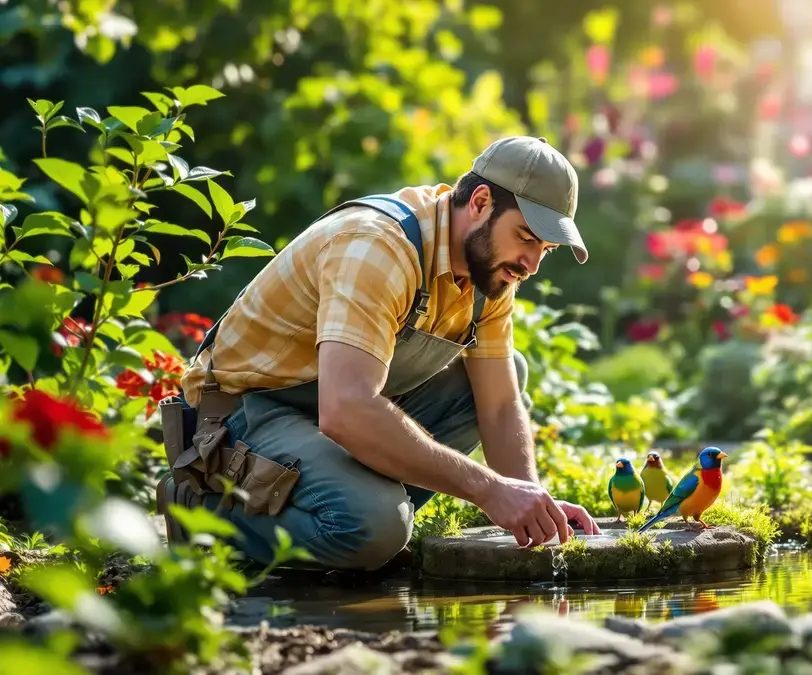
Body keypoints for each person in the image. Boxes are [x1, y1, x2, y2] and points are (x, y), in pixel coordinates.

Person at [155, 136, 601, 572]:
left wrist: (529, 500)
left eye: (545, 249)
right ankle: (201, 510)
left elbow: (500, 405)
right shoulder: (378, 245)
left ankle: (358, 523)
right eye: (525, 237)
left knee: (496, 381)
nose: (532, 264)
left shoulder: (490, 268)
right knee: (375, 526)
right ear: (481, 203)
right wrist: (488, 489)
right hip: (243, 413)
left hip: (330, 409)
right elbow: (346, 409)